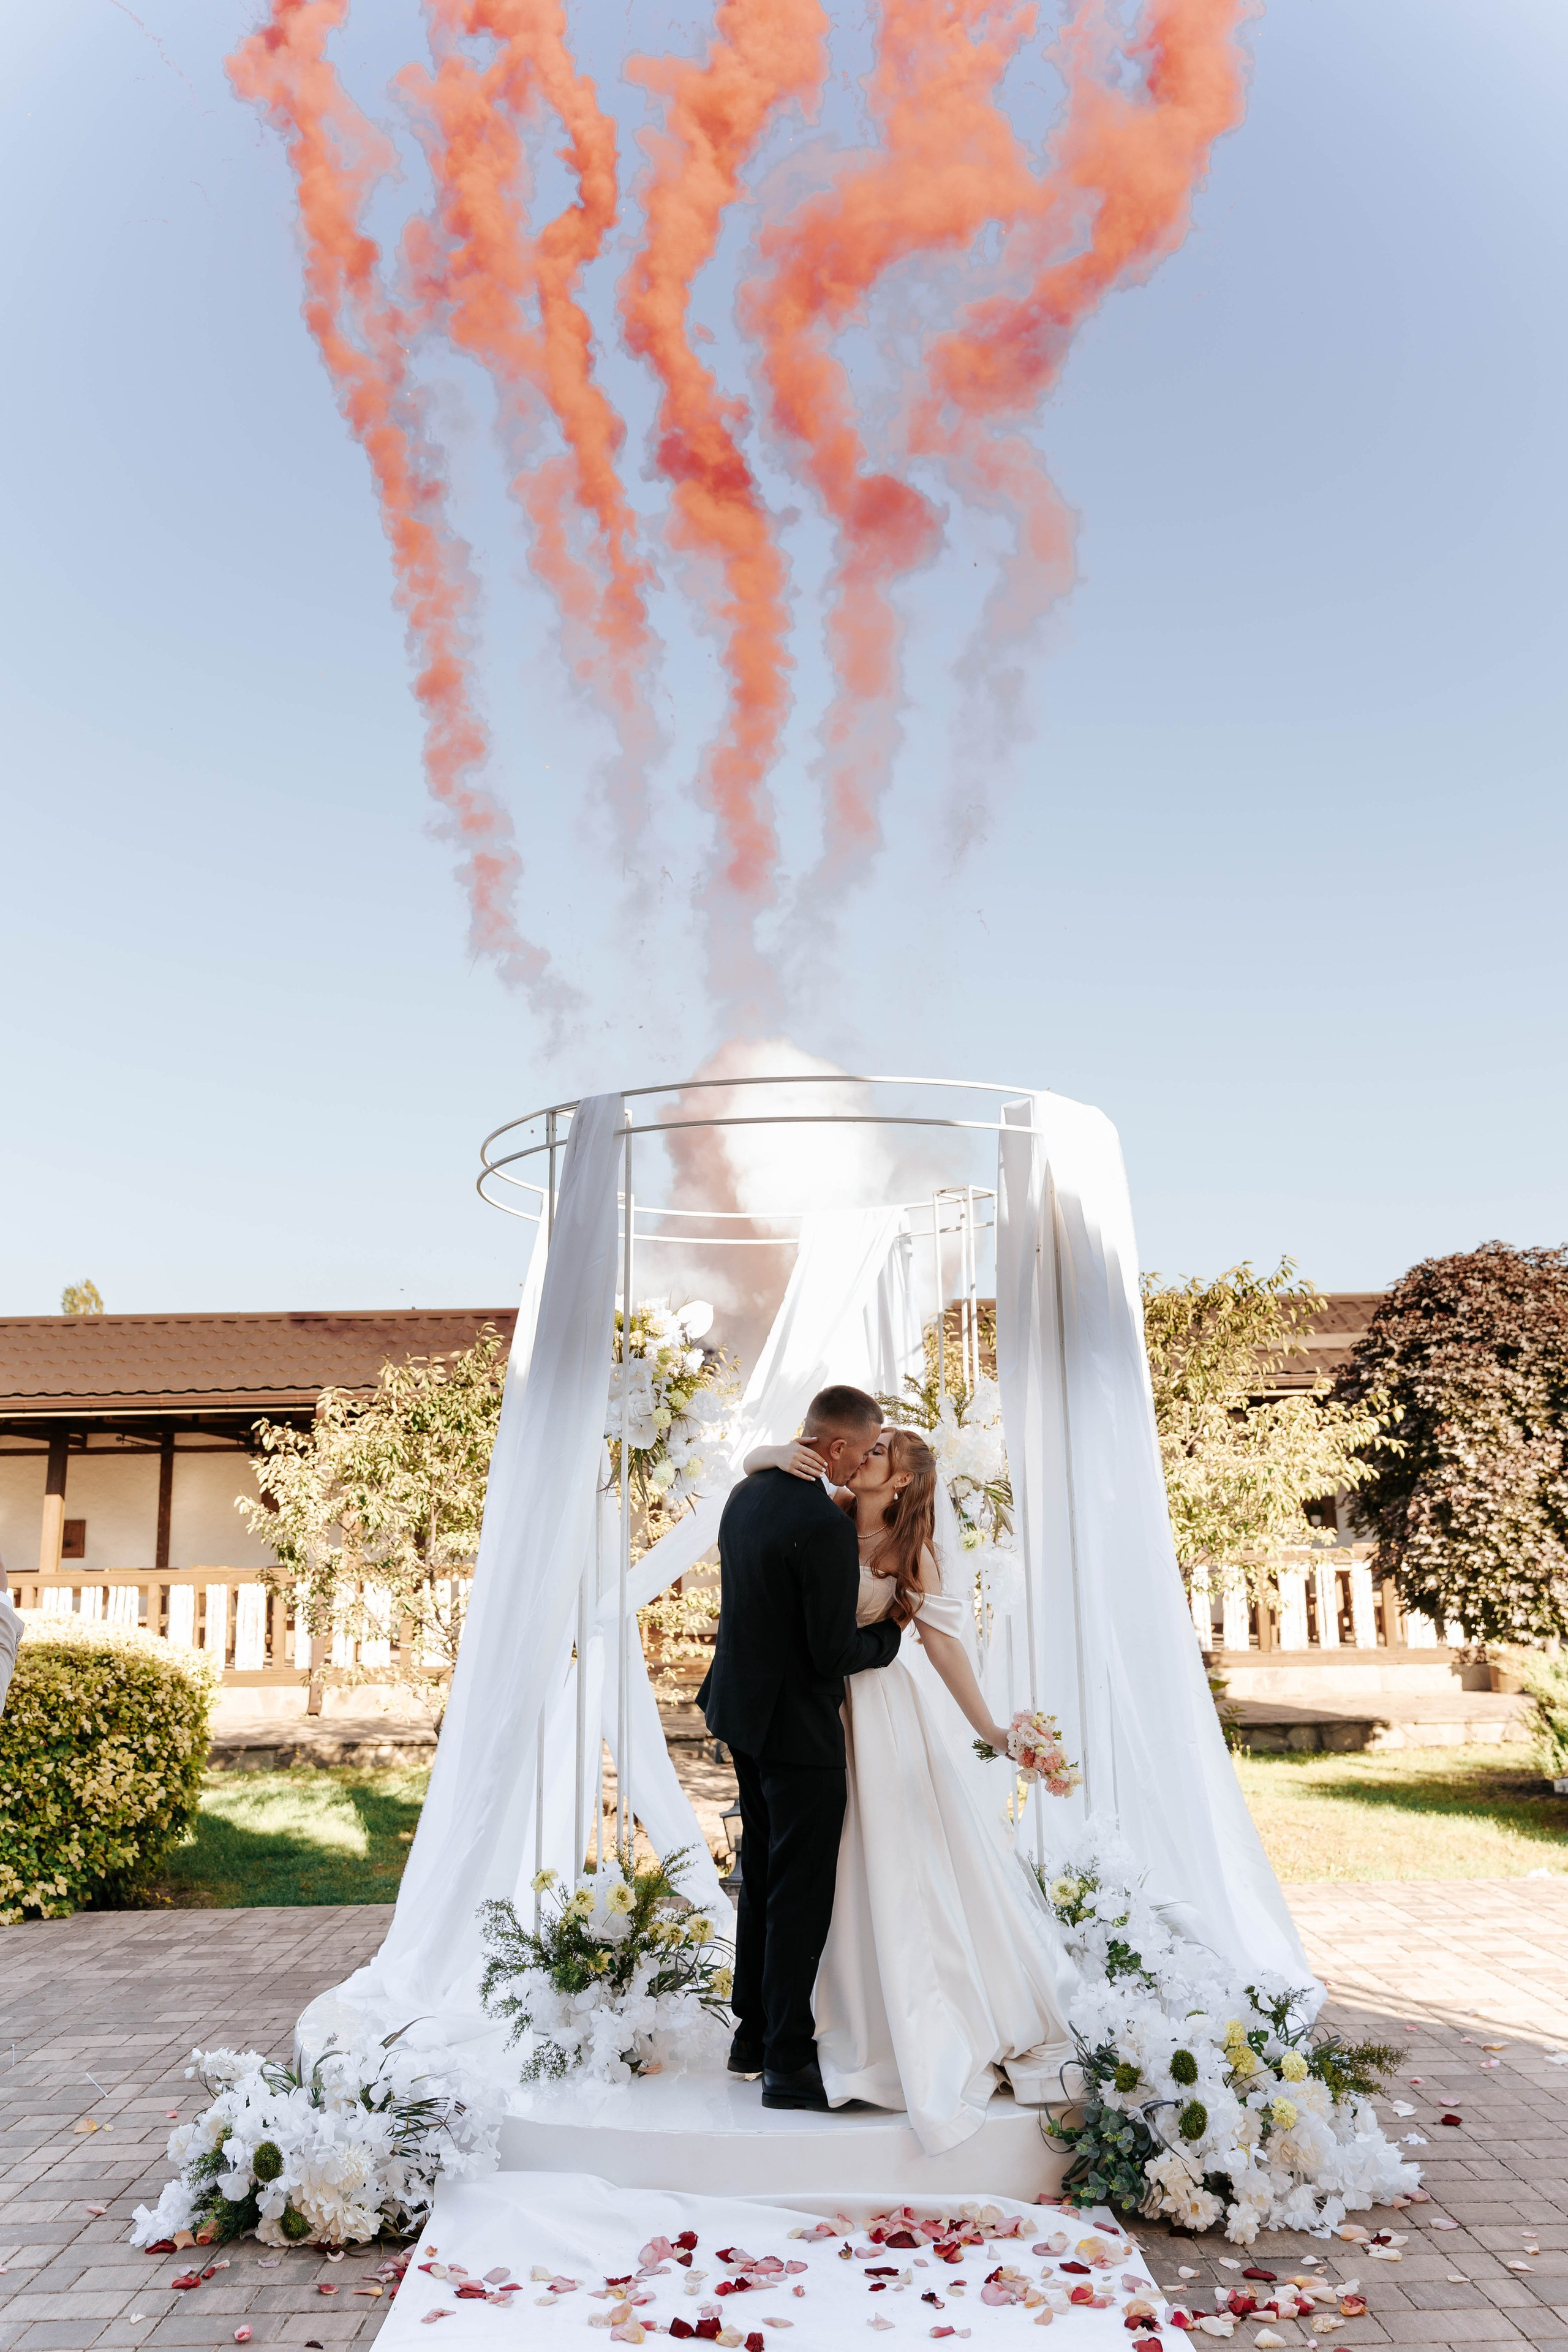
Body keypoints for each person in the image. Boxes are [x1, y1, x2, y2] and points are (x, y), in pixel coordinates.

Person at [739, 1422, 1079, 2155]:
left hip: (880, 1713)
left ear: (897, 1482)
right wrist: (770, 1453)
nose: (863, 1455)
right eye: (867, 1446)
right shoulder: (819, 1509)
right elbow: (755, 1468)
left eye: (879, 1452)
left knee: (887, 1864)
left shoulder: (906, 1550)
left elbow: (944, 1641)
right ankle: (790, 2026)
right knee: (809, 1874)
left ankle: (898, 2023)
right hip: (811, 1711)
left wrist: (990, 1727)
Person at [697, 1384, 902, 2111]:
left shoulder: (746, 1495)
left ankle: (750, 2036)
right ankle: (787, 2062)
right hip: (798, 1732)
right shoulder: (820, 1525)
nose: (866, 1460)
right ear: (836, 1446)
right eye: (867, 1446)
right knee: (798, 1895)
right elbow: (831, 1652)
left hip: (742, 1716)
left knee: (763, 1878)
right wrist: (888, 1639)